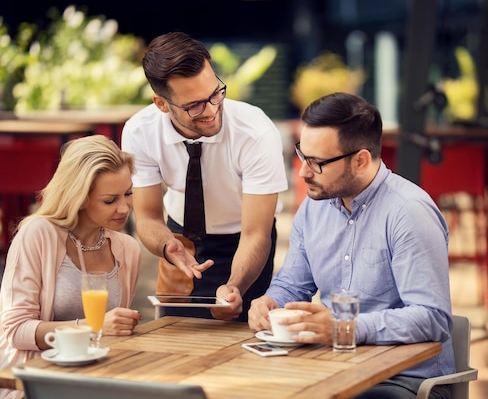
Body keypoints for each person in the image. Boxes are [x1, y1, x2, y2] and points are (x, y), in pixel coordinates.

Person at [248, 93, 456, 399]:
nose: (304, 171)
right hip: (333, 368)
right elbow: (293, 283)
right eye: (302, 155)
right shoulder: (313, 207)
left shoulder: (408, 212)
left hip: (404, 381)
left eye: (317, 162)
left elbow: (432, 318)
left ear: (360, 160)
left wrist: (344, 328)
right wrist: (270, 303)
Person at [121, 31, 288, 322]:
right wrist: (168, 247)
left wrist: (235, 286)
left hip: (245, 240)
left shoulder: (255, 132)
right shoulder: (140, 132)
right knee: (175, 340)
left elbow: (256, 233)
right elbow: (147, 219)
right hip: (179, 239)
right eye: (194, 105)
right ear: (161, 104)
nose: (212, 110)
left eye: (215, 93)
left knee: (242, 345)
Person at [0, 135, 143, 396]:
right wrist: (92, 327)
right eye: (110, 200)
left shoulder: (127, 249)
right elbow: (15, 331)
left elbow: (111, 337)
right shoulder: (38, 234)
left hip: (97, 383)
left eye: (129, 193)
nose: (124, 208)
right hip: (36, 384)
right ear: (80, 196)